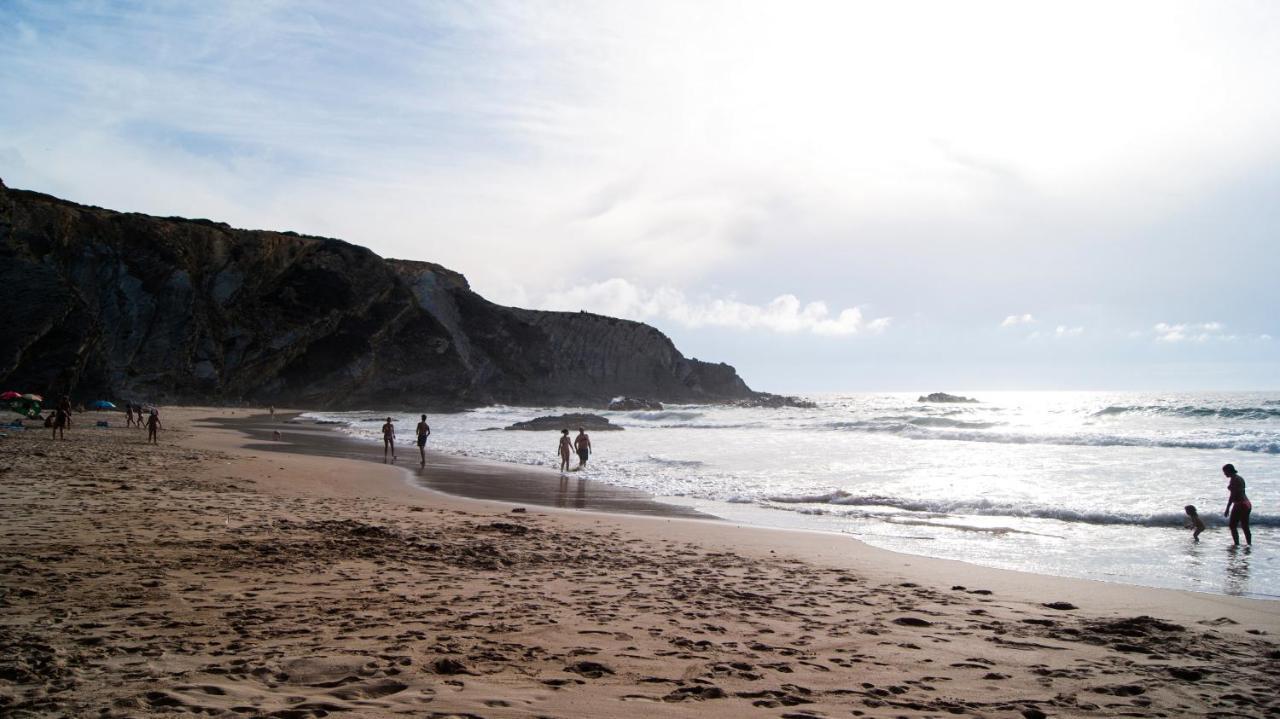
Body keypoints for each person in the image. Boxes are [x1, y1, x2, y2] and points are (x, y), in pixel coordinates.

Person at [1222, 463, 1252, 546]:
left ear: (1229, 470)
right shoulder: (1239, 478)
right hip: (1246, 503)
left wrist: (1227, 508)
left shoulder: (1235, 479)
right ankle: (1249, 544)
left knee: (1232, 525)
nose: (1224, 474)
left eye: (1225, 472)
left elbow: (1233, 495)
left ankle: (1237, 544)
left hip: (1240, 504)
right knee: (1245, 526)